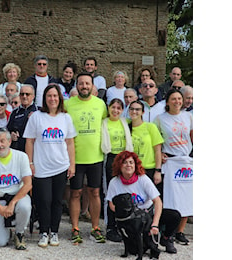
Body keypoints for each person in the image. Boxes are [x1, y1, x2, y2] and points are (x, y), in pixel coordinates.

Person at [23, 83, 77, 247]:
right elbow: (30, 142)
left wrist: (72, 164)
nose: (52, 99)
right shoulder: (36, 117)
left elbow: (70, 143)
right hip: (41, 167)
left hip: (60, 165)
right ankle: (43, 232)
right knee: (44, 200)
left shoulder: (65, 118)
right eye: (49, 96)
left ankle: (54, 231)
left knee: (57, 201)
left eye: (55, 96)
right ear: (44, 99)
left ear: (59, 98)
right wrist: (30, 162)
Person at [64, 72, 108, 244]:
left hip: (95, 157)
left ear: (92, 86)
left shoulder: (101, 105)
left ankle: (95, 228)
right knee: (75, 193)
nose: (84, 86)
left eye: (87, 84)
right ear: (76, 86)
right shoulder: (68, 104)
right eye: (81, 83)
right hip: (75, 157)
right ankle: (75, 228)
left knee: (95, 192)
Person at [0, 128, 32, 250]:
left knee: (25, 206)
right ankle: (5, 231)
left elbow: (28, 184)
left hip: (17, 196)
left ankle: (19, 233)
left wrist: (13, 203)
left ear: (9, 141)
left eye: (2, 141)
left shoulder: (21, 157)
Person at [154, 89, 193, 248]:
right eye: (173, 99)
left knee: (186, 198)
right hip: (170, 162)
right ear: (167, 101)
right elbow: (156, 141)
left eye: (179, 98)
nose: (177, 101)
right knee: (171, 199)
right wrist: (160, 154)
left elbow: (192, 137)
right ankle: (167, 235)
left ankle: (179, 232)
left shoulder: (188, 116)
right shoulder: (160, 119)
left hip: (186, 161)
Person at [105, 151, 162, 246]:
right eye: (125, 162)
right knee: (135, 250)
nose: (128, 165)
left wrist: (155, 224)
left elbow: (158, 202)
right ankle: (114, 230)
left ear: (135, 165)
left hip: (146, 216)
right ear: (119, 165)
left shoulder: (143, 179)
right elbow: (111, 204)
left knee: (173, 215)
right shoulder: (114, 182)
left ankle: (166, 238)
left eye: (131, 162)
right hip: (128, 218)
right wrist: (125, 215)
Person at [100, 98, 133, 242]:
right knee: (111, 193)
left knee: (124, 191)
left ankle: (123, 224)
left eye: (119, 108)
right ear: (109, 108)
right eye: (113, 107)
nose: (115, 111)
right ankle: (110, 226)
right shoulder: (104, 123)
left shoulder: (125, 122)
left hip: (124, 157)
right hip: (111, 157)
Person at [128, 100, 164, 192]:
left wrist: (158, 171)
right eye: (131, 109)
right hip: (132, 170)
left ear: (143, 112)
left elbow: (157, 150)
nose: (134, 112)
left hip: (149, 169)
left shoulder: (150, 127)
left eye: (137, 109)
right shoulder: (125, 127)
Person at [6, 84, 38, 152]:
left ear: (33, 96)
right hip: (18, 149)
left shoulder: (39, 111)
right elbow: (8, 130)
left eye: (27, 94)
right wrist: (11, 135)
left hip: (35, 149)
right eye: (22, 94)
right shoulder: (15, 112)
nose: (24, 96)